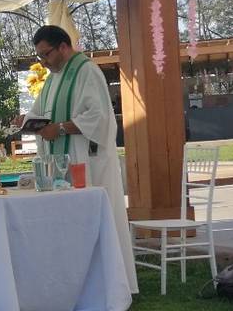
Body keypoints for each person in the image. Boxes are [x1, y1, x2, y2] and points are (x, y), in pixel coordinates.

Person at [13, 25, 139, 294]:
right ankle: (71, 280)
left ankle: (104, 282)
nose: (43, 62)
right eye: (39, 57)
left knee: (90, 220)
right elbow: (41, 112)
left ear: (63, 47)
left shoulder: (87, 71)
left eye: (46, 54)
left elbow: (99, 117)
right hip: (61, 162)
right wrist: (26, 121)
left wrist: (58, 129)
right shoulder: (53, 77)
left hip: (86, 159)